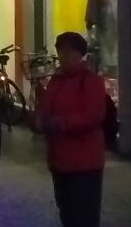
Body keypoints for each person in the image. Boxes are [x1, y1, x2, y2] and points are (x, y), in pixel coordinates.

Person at [35, 31, 107, 227]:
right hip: (59, 160)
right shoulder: (56, 80)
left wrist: (59, 123)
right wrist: (40, 119)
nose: (63, 56)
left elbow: (93, 116)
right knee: (66, 211)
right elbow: (46, 106)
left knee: (84, 214)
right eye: (61, 51)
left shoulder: (91, 81)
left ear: (79, 54)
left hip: (84, 161)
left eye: (69, 51)